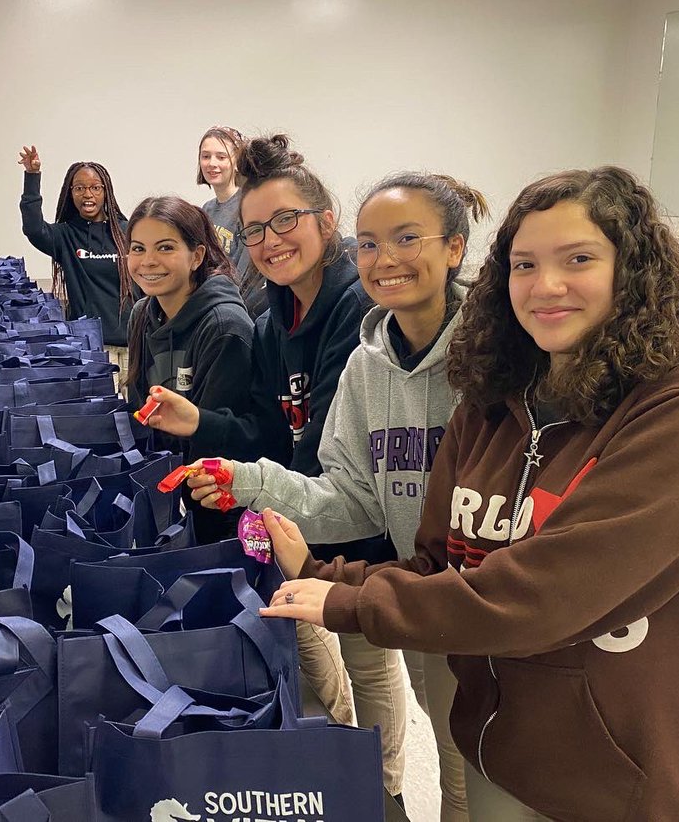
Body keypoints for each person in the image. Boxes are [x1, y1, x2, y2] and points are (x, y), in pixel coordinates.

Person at [261, 166, 679, 821]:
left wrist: (351, 601)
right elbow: (441, 565)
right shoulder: (490, 402)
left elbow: (548, 592)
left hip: (630, 778)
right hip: (503, 753)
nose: (546, 285)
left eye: (578, 259)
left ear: (634, 269)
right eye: (525, 264)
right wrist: (321, 573)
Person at [187, 172, 487, 820]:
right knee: (448, 737)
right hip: (420, 589)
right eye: (371, 242)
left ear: (454, 248)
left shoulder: (497, 358)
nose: (385, 258)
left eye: (407, 238)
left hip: (497, 608)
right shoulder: (365, 363)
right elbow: (354, 494)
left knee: (473, 770)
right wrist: (250, 483)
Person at [141, 134, 410, 803]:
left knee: (370, 655)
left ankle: (384, 793)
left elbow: (328, 439)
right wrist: (200, 424)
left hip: (362, 517)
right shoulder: (271, 320)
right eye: (255, 229)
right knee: (319, 643)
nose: (269, 240)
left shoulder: (357, 308)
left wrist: (264, 493)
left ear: (327, 221)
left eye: (285, 220)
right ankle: (348, 764)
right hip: (303, 507)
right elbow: (265, 428)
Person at [124, 195, 254, 543]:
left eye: (165, 247)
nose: (148, 261)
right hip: (167, 495)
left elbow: (224, 440)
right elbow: (139, 410)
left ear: (197, 256)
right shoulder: (142, 313)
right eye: (138, 248)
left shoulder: (224, 326)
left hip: (216, 506)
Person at [17, 146, 132, 374]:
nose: (88, 194)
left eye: (95, 188)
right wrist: (32, 176)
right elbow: (33, 228)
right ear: (70, 193)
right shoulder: (65, 235)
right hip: (92, 347)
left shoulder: (127, 232)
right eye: (79, 188)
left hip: (134, 345)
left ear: (106, 192)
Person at [197, 125, 266, 316]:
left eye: (221, 157)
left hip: (236, 309)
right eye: (205, 156)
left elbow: (247, 274)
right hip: (211, 303)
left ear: (236, 162)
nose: (212, 163)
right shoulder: (206, 209)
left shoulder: (248, 206)